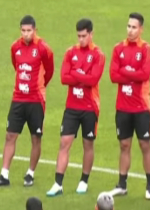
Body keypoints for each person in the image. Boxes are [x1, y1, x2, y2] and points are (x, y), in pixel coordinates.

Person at [0, 15, 54, 189]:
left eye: (29, 31)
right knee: (10, 135)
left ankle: (30, 173)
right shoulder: (15, 47)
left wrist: (39, 86)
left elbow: (49, 70)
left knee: (36, 138)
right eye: (23, 31)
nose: (26, 34)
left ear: (35, 30)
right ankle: (4, 175)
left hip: (36, 100)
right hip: (18, 98)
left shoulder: (43, 48)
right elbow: (16, 66)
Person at [46, 18, 105, 197]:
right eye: (78, 36)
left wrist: (75, 73)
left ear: (91, 34)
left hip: (90, 107)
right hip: (72, 107)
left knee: (88, 144)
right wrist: (82, 75)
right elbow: (64, 78)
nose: (81, 39)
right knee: (64, 142)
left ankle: (83, 181)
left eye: (84, 36)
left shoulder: (98, 55)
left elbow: (93, 80)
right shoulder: (70, 52)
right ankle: (58, 183)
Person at [107, 12, 150, 199]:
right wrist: (132, 73)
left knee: (145, 145)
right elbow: (113, 76)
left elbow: (145, 74)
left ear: (141, 29)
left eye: (134, 27)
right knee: (124, 145)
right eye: (128, 26)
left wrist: (125, 71)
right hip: (123, 107)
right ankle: (122, 184)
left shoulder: (146, 49)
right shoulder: (118, 48)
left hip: (142, 107)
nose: (130, 30)